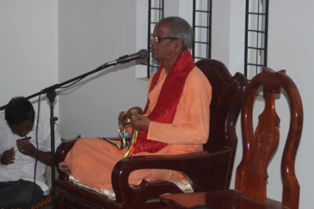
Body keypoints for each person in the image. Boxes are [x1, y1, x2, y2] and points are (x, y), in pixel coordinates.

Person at [58, 16, 212, 189]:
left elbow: (200, 134)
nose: (151, 42)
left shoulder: (194, 81)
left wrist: (150, 127)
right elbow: (154, 118)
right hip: (147, 149)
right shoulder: (157, 76)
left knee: (132, 172)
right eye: (153, 36)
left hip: (175, 160)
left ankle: (84, 171)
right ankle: (86, 170)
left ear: (177, 45)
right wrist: (131, 124)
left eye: (158, 38)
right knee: (81, 146)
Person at [0, 97, 61, 208]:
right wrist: (1, 158)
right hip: (2, 177)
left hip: (30, 183)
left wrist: (34, 153)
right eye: (17, 131)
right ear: (8, 123)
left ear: (33, 118)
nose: (23, 133)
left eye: (27, 129)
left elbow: (57, 159)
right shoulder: (0, 123)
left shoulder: (47, 126)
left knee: (27, 196)